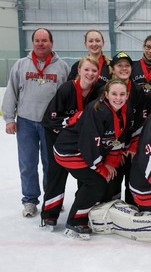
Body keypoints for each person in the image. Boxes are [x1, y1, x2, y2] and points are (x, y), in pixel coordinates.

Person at [1, 28, 70, 217]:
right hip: (26, 122)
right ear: (33, 43)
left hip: (51, 124)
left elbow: (68, 96)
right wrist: (9, 119)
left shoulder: (62, 67)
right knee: (27, 163)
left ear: (51, 43)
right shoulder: (21, 65)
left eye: (45, 40)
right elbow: (11, 92)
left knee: (51, 164)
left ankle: (52, 198)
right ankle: (30, 201)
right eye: (37, 40)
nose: (41, 43)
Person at [53, 79, 133, 239]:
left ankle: (88, 212)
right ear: (106, 95)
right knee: (96, 182)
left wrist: (110, 163)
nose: (118, 98)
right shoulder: (98, 110)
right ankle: (75, 221)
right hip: (70, 151)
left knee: (102, 180)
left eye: (122, 94)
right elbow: (88, 143)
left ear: (127, 95)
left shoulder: (125, 110)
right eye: (114, 94)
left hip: (86, 152)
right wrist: (100, 167)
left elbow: (117, 138)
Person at [40, 56, 100, 227]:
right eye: (86, 69)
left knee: (86, 173)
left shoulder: (97, 90)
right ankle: (50, 213)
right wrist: (72, 120)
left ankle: (82, 210)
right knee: (56, 174)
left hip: (82, 140)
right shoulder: (66, 89)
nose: (90, 73)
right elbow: (50, 119)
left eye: (94, 71)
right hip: (57, 138)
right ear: (79, 70)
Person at [110, 51, 145, 204]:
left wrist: (134, 146)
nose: (124, 68)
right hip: (111, 146)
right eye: (119, 65)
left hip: (131, 146)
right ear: (113, 69)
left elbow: (142, 120)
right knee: (112, 182)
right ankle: (112, 208)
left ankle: (131, 210)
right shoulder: (104, 90)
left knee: (132, 180)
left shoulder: (138, 90)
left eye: (127, 65)